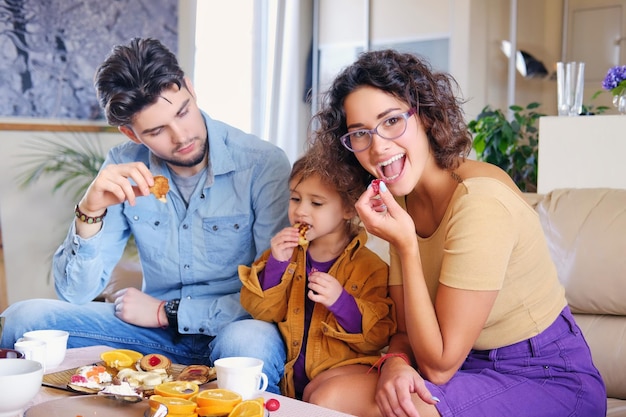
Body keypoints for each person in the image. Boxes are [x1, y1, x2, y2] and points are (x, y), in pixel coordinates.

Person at [302, 49, 606, 417]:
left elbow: (439, 365)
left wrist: (406, 243)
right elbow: (405, 330)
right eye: (360, 133)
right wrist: (396, 361)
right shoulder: (405, 199)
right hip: (465, 365)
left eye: (392, 121)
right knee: (320, 387)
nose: (378, 146)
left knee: (335, 400)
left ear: (427, 117)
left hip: (545, 376)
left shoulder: (480, 202)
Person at [0, 38, 291, 393]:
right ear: (130, 132)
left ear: (190, 88)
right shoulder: (124, 165)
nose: (182, 136)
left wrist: (167, 312)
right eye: (156, 131)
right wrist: (91, 209)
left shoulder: (262, 164)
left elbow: (272, 297)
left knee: (248, 345)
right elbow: (75, 292)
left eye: (183, 112)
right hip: (150, 335)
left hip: (235, 327)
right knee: (23, 320)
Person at [238, 151, 396, 400]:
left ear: (348, 208)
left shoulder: (370, 267)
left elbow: (376, 338)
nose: (300, 211)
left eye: (316, 203)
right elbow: (261, 311)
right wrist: (277, 265)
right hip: (287, 381)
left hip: (339, 384)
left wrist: (340, 301)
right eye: (295, 198)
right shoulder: (281, 253)